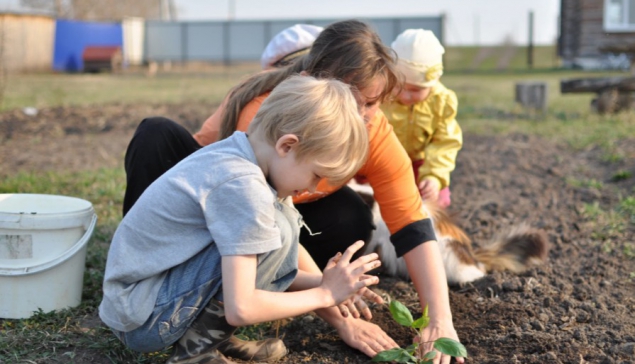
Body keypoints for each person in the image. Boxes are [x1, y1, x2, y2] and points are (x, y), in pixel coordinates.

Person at [123, 20, 464, 364]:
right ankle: (157, 285)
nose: (360, 118)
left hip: (267, 217)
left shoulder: (371, 132)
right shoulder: (268, 117)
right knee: (158, 135)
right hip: (214, 216)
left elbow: (412, 224)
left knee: (348, 217)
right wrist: (333, 307)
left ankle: (207, 336)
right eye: (351, 101)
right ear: (312, 85)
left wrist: (440, 321)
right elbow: (259, 231)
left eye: (371, 105)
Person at [99, 76, 382, 364]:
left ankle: (207, 338)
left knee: (278, 229)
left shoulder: (244, 154)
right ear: (287, 145)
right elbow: (242, 307)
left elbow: (271, 267)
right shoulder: (243, 186)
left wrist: (328, 282)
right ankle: (194, 354)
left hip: (147, 301)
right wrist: (325, 294)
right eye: (316, 175)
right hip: (144, 316)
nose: (312, 188)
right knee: (278, 230)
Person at [381, 29, 462, 208]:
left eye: (416, 90)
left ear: (433, 82)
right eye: (400, 86)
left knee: (436, 199)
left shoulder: (441, 102)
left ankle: (427, 232)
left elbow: (444, 143)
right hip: (381, 164)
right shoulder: (380, 95)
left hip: (419, 166)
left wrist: (433, 176)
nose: (406, 95)